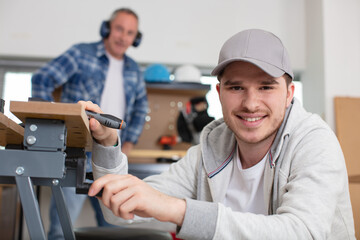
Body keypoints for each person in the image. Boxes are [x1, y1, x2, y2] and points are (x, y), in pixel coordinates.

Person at [83, 29, 355, 239]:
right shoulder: (210, 148)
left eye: (266, 87)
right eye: (236, 88)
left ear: (289, 94)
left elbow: (303, 233)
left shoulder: (314, 143)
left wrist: (179, 210)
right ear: (219, 94)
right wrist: (107, 144)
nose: (250, 103)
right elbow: (118, 212)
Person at [31, 8, 148, 239]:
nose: (123, 37)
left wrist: (129, 142)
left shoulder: (134, 69)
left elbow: (141, 108)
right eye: (119, 29)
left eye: (130, 32)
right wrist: (51, 123)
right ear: (107, 29)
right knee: (61, 230)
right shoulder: (81, 53)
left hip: (110, 158)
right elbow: (42, 79)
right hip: (76, 154)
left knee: (113, 228)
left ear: (136, 38)